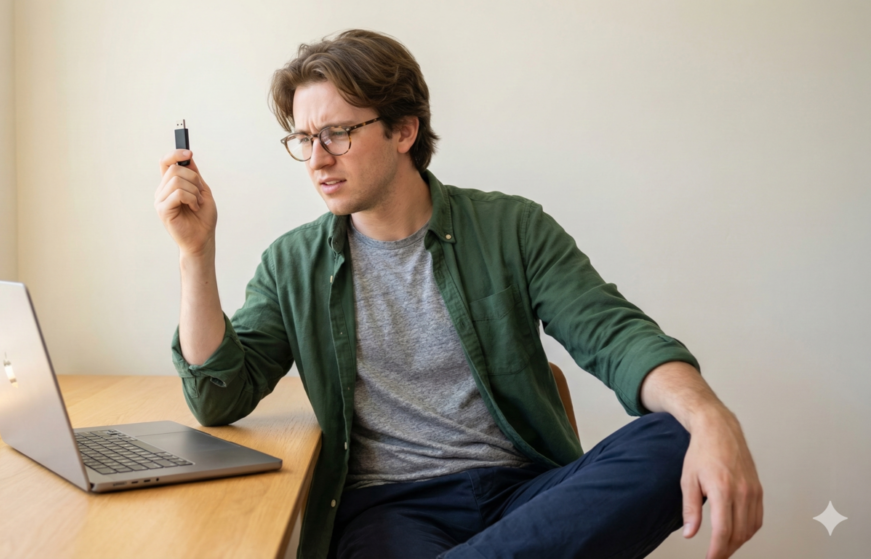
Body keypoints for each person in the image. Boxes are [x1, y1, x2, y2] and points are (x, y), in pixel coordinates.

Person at [153, 29, 762, 559]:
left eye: (336, 133)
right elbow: (218, 396)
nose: (316, 159)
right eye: (303, 138)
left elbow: (613, 334)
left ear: (403, 131)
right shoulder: (293, 263)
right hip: (390, 511)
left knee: (676, 435)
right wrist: (195, 254)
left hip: (527, 495)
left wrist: (710, 415)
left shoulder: (511, 228)